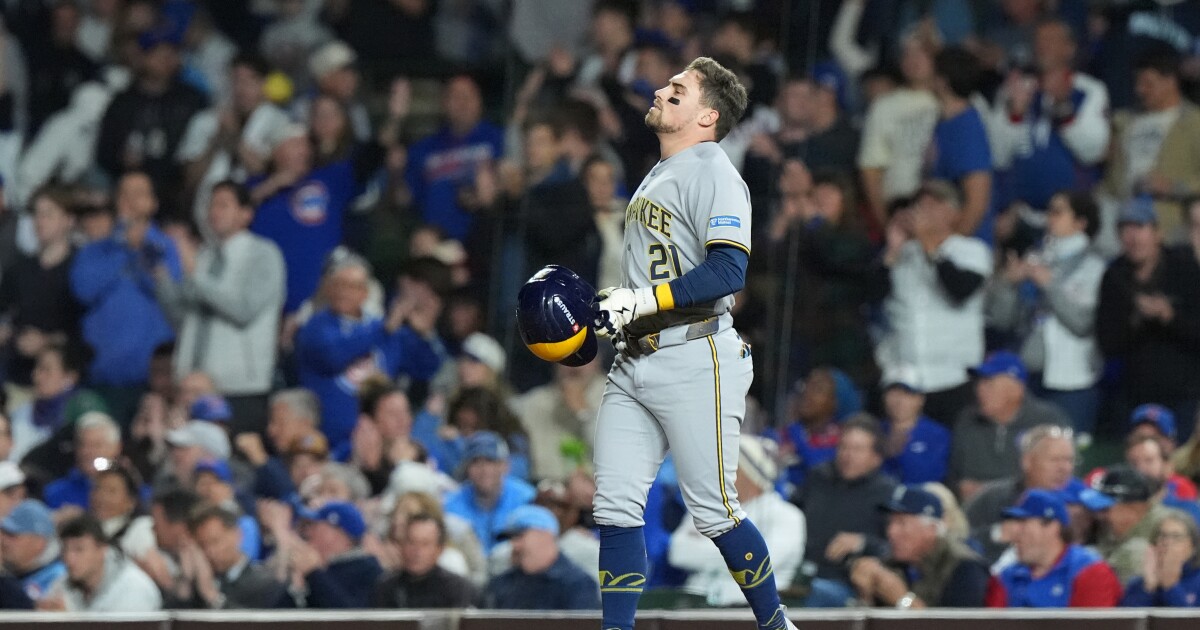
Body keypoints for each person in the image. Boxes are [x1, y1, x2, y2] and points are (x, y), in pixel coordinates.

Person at [587, 57, 797, 630]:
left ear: (707, 115)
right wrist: (616, 310)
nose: (662, 90)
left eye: (677, 90)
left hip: (694, 353)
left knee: (716, 509)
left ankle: (776, 624)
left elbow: (731, 270)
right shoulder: (661, 170)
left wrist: (645, 300)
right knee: (614, 507)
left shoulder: (713, 168)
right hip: (636, 356)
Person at [156, 179, 286, 437]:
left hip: (239, 388)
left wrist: (195, 274)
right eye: (211, 205)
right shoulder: (203, 257)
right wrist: (162, 280)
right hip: (193, 387)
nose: (213, 212)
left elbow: (243, 310)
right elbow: (183, 320)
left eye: (223, 205)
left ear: (246, 214)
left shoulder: (263, 255)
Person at [293, 251, 442, 451]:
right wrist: (383, 329)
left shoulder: (384, 328)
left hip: (381, 444)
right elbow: (334, 356)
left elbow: (426, 368)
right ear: (328, 289)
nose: (344, 292)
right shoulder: (315, 327)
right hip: (329, 444)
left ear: (365, 293)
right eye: (339, 285)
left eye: (352, 286)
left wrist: (423, 334)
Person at [987, 191, 1106, 438]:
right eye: (1049, 210)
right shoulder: (1035, 258)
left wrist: (1049, 284)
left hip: (1071, 381)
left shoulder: (1094, 267)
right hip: (1028, 377)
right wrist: (1008, 285)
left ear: (1080, 222)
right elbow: (1003, 320)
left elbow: (1082, 323)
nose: (1049, 218)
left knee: (1067, 455)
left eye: (1058, 211)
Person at [875, 180, 993, 424]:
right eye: (920, 205)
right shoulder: (902, 254)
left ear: (954, 214)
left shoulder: (970, 250)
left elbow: (959, 290)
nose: (923, 211)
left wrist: (929, 244)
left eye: (933, 205)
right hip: (904, 379)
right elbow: (871, 296)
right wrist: (893, 249)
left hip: (953, 378)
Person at [70, 172, 182, 423]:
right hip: (100, 380)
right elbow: (83, 290)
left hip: (150, 384)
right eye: (124, 194)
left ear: (153, 203)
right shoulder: (95, 250)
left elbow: (169, 296)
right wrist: (123, 248)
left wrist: (141, 249)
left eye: (139, 194)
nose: (130, 201)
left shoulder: (166, 248)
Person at [1096, 196, 1200, 440]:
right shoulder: (1115, 277)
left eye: (1140, 227)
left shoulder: (1185, 268)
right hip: (1133, 396)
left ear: (1157, 233)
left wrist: (1169, 316)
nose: (1133, 237)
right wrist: (1138, 319)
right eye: (1125, 229)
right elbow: (1107, 343)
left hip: (1184, 395)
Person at [669, 436, 805, 607]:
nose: (719, 474)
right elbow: (678, 553)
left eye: (729, 467)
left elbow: (757, 565)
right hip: (694, 604)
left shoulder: (787, 515)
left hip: (750, 609)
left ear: (751, 472)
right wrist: (735, 554)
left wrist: (705, 551)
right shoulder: (705, 508)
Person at [94, 28, 208, 218]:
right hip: (128, 192)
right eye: (158, 53)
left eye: (171, 53)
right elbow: (104, 152)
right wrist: (120, 158)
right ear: (142, 57)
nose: (166, 59)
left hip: (176, 195)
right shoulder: (123, 102)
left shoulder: (192, 100)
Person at [793, 415, 896, 607]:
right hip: (799, 572)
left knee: (815, 594)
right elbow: (791, 514)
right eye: (844, 447)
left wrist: (862, 542)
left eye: (857, 449)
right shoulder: (818, 478)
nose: (848, 455)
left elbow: (895, 549)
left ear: (876, 458)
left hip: (846, 583)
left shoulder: (887, 493)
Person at [1106, 50, 1200, 242]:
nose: (1140, 90)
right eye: (1138, 83)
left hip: (1168, 226)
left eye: (1148, 84)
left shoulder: (1194, 123)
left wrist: (1173, 187)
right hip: (1121, 218)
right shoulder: (1124, 121)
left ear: (1170, 82)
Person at [948, 352, 1070, 500]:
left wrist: (993, 492)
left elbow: (1064, 476)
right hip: (976, 512)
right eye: (979, 382)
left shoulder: (1047, 420)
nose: (980, 389)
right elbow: (954, 476)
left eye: (989, 382)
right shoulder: (967, 421)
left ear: (1016, 389)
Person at [850, 486, 988, 608]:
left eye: (901, 523)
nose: (891, 532)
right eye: (890, 523)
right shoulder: (891, 564)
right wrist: (865, 595)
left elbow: (960, 625)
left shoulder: (965, 567)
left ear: (931, 529)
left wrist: (902, 599)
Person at [985, 489, 1121, 607]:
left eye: (1023, 523)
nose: (1014, 532)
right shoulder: (1007, 576)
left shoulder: (1090, 571)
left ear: (1052, 527)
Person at [963, 424, 1077, 563]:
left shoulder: (1079, 506)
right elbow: (958, 539)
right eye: (1055, 460)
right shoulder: (992, 498)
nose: (1064, 468)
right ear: (1027, 462)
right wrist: (997, 533)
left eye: (1069, 460)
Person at [260, 500, 382, 609]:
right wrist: (297, 589)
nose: (309, 532)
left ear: (336, 534)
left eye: (316, 526)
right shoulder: (321, 567)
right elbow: (279, 615)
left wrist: (314, 573)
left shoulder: (367, 570)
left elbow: (349, 616)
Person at [484, 504, 599, 610]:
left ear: (546, 535)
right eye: (511, 539)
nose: (514, 546)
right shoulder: (502, 584)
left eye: (520, 536)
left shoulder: (578, 585)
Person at [443, 431, 535, 553]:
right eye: (476, 462)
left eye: (490, 461)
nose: (484, 470)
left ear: (505, 466)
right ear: (467, 468)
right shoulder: (450, 505)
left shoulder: (527, 498)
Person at [180, 503, 285, 609]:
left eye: (215, 542)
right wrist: (186, 580)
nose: (210, 552)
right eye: (202, 546)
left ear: (237, 534)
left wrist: (212, 596)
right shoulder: (197, 586)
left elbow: (251, 623)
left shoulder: (264, 583)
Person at [55, 513, 161, 611]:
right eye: (65, 549)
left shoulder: (134, 589)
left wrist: (69, 617)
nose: (69, 558)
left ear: (102, 550)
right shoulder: (63, 582)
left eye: (79, 549)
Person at [373, 512, 479, 608]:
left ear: (439, 549)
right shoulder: (385, 588)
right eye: (411, 542)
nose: (417, 551)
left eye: (425, 544)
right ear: (402, 545)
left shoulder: (458, 589)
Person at [1094, 464, 1171, 585]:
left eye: (1105, 508)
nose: (1100, 515)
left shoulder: (1168, 527)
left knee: (1135, 551)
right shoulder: (1108, 525)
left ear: (1132, 508)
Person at [879, 366, 950, 484]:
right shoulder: (874, 432)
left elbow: (931, 476)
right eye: (893, 393)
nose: (899, 400)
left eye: (907, 393)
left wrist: (900, 454)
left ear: (920, 399)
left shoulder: (937, 435)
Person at [42, 412, 122, 511]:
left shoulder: (134, 492)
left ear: (117, 448)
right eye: (82, 445)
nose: (87, 452)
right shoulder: (55, 492)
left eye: (97, 445)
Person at [1121, 510, 1200, 606]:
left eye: (1176, 537)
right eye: (1163, 536)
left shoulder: (1197, 581)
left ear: (1193, 546)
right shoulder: (1138, 584)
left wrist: (1171, 587)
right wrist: (1149, 587)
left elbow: (1190, 621)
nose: (1167, 542)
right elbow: (1127, 619)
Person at [0, 499, 66, 605]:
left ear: (39, 542)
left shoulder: (60, 577)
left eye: (12, 535)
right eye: (4, 533)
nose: (4, 541)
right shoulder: (11, 568)